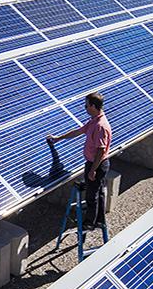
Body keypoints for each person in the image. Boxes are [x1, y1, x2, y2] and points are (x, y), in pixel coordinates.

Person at [47, 92, 112, 230]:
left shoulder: (100, 126)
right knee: (98, 192)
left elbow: (100, 151)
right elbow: (78, 132)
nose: (85, 108)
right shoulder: (94, 121)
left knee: (91, 195)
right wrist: (59, 138)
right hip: (95, 163)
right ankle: (99, 220)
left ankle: (89, 223)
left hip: (97, 164)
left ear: (93, 106)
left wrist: (93, 170)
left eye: (86, 105)